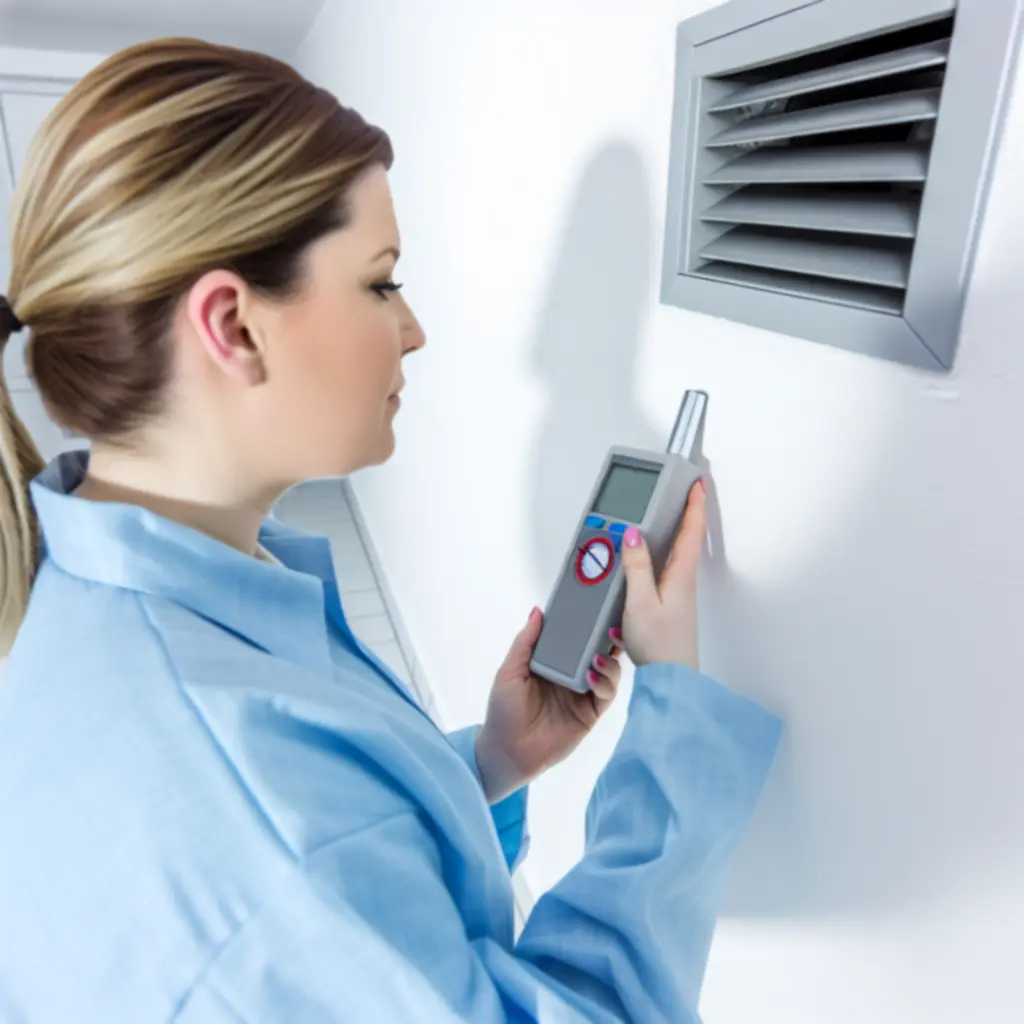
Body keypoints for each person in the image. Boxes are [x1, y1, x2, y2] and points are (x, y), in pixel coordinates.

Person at [0, 38, 782, 1023]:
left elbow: (344, 886)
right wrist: (676, 717)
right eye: (380, 282)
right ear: (234, 327)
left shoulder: (97, 599)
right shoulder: (254, 832)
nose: (412, 329)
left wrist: (492, 763)